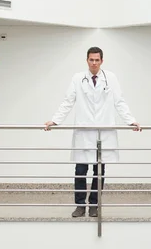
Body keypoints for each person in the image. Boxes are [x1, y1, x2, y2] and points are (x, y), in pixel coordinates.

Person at [45, 46, 141, 218]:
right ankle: (80, 205)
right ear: (87, 60)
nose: (94, 63)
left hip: (103, 133)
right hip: (84, 131)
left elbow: (120, 102)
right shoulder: (77, 78)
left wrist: (131, 120)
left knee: (99, 171)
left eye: (97, 60)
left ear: (102, 61)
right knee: (80, 170)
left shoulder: (110, 78)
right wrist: (55, 120)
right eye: (91, 60)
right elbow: (68, 101)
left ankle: (95, 205)